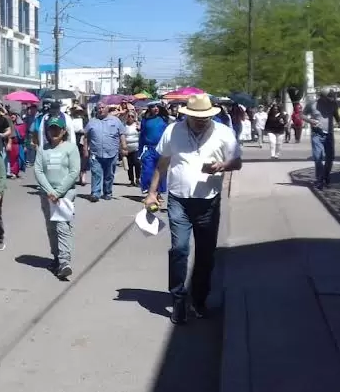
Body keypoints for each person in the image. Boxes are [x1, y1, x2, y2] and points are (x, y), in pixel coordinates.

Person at [144, 94, 242, 325]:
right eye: (196, 117)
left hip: (209, 201)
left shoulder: (224, 133)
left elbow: (237, 162)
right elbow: (163, 163)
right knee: (179, 249)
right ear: (187, 115)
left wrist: (223, 165)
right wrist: (152, 192)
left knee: (206, 255)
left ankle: (198, 299)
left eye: (205, 117)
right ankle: (178, 298)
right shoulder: (172, 131)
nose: (201, 121)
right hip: (179, 200)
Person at [34, 115, 81, 280]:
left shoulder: (70, 148)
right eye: (51, 128)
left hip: (65, 193)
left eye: (57, 128)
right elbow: (38, 170)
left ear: (63, 131)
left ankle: (65, 261)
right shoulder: (43, 149)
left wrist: (59, 192)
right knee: (51, 227)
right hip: (47, 193)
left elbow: (74, 172)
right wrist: (49, 191)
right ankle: (56, 257)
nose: (54, 131)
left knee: (62, 226)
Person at [81, 101, 127, 201]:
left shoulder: (115, 121)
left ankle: (107, 192)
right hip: (95, 153)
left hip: (112, 153)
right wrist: (85, 149)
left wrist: (124, 147)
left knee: (109, 175)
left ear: (107, 108)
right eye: (99, 108)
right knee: (96, 173)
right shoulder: (92, 121)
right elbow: (86, 136)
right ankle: (95, 193)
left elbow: (122, 134)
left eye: (103, 108)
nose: (101, 110)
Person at [304, 89, 340, 189]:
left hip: (329, 135)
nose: (330, 99)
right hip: (316, 134)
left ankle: (326, 176)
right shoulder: (312, 104)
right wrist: (310, 121)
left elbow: (336, 116)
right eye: (328, 97)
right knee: (318, 157)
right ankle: (319, 180)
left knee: (330, 157)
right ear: (322, 97)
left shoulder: (333, 104)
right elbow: (302, 115)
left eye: (331, 97)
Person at [124, 111, 141, 187]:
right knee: (129, 165)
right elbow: (121, 137)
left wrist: (140, 129)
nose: (130, 118)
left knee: (137, 163)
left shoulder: (137, 125)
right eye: (129, 116)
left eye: (132, 116)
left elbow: (142, 135)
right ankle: (131, 180)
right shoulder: (124, 126)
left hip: (136, 147)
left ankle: (137, 179)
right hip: (127, 148)